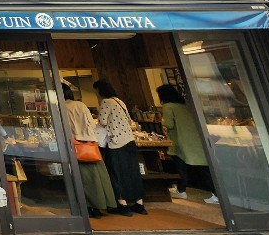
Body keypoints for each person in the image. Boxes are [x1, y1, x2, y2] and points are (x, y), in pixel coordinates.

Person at [62, 83, 117, 218]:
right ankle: (101, 205)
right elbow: (92, 124)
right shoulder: (81, 105)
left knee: (83, 179)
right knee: (98, 178)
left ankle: (87, 207)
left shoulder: (62, 108)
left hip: (75, 145)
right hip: (90, 144)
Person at [157, 84, 218, 204]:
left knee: (182, 167)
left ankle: (214, 194)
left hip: (180, 141)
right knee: (201, 167)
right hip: (194, 140)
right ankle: (183, 189)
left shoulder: (168, 107)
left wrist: (162, 121)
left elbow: (169, 124)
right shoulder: (184, 106)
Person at [94, 79, 147, 215]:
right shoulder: (119, 101)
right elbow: (129, 120)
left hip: (116, 142)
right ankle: (139, 203)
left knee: (116, 172)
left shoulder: (106, 102)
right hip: (129, 141)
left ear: (99, 90)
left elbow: (102, 121)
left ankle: (122, 204)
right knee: (132, 172)